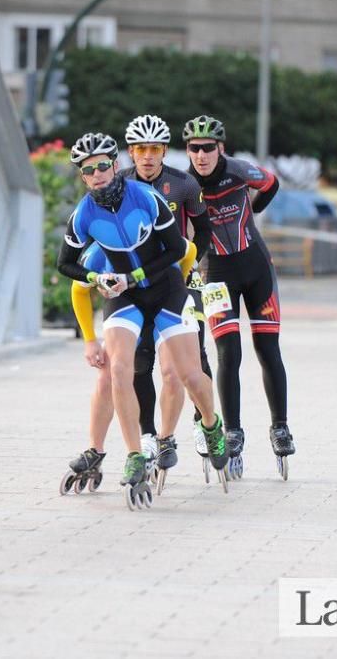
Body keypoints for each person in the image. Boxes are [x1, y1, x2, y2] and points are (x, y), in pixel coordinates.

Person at [57, 132, 230, 507]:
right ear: (83, 177)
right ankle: (136, 454)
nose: (98, 174)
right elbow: (65, 267)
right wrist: (95, 282)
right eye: (89, 170)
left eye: (104, 165)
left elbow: (179, 250)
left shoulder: (146, 198)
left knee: (187, 374)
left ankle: (212, 424)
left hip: (165, 288)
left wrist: (150, 280)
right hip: (124, 297)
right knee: (117, 370)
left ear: (115, 165)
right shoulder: (84, 215)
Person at [183, 114, 296, 479]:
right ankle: (232, 432)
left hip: (256, 267)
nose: (201, 155)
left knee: (268, 349)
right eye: (193, 148)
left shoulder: (238, 171)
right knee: (228, 353)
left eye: (207, 148)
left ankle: (280, 426)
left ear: (221, 148)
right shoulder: (184, 185)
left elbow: (272, 183)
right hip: (215, 275)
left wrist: (255, 209)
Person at [119, 114, 216, 476]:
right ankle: (149, 435)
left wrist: (191, 261)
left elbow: (204, 229)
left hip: (180, 278)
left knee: (195, 357)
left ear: (164, 151)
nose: (147, 156)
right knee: (141, 360)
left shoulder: (184, 184)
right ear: (131, 151)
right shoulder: (120, 184)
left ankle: (202, 422)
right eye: (141, 149)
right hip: (139, 283)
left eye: (155, 149)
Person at [61, 238, 197, 497]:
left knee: (172, 372)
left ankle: (165, 439)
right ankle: (95, 450)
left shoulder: (157, 239)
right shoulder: (100, 251)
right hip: (129, 308)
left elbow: (189, 250)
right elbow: (79, 291)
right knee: (108, 374)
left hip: (165, 302)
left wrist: (182, 279)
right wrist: (90, 340)